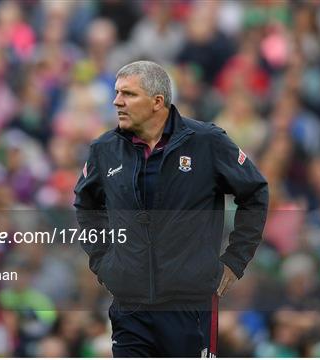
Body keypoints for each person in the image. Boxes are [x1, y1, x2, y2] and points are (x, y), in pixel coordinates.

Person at [74, 61, 268, 357]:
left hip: (190, 307)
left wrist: (235, 259)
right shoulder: (105, 149)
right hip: (130, 308)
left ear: (157, 102)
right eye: (116, 93)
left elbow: (255, 192)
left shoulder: (207, 142)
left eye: (128, 94)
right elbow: (85, 204)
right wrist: (104, 261)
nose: (117, 101)